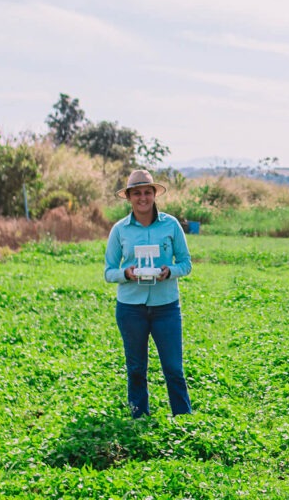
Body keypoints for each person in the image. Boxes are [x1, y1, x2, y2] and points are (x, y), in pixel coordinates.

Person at [104, 169, 192, 418]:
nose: (142, 197)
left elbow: (186, 263)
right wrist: (126, 273)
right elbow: (109, 271)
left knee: (174, 368)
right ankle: (139, 417)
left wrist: (170, 271)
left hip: (166, 307)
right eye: (137, 193)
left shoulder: (171, 225)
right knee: (135, 368)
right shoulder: (120, 230)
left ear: (154, 194)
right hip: (131, 308)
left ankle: (184, 419)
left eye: (147, 192)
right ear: (129, 197)